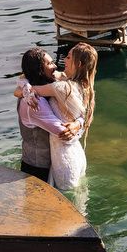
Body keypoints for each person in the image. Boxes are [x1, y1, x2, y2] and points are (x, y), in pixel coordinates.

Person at [22, 42, 98, 191]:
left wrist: (25, 88)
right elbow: (85, 114)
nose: (62, 60)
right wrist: (79, 124)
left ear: (79, 63)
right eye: (50, 63)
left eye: (69, 57)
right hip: (77, 154)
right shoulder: (83, 86)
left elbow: (26, 90)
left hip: (64, 160)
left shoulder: (60, 87)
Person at [14, 47, 82, 182]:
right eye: (50, 63)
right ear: (39, 69)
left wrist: (78, 122)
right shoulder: (34, 102)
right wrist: (79, 124)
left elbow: (23, 80)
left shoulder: (39, 89)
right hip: (37, 168)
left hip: (45, 164)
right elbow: (63, 132)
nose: (55, 66)